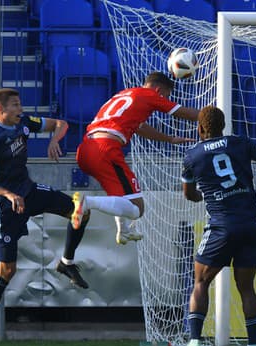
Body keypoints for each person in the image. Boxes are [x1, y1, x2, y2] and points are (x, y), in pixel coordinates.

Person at [0, 88, 91, 346]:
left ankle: (66, 263)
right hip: (7, 205)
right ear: (0, 110)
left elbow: (62, 124)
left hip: (30, 192)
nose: (21, 109)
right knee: (7, 270)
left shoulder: (25, 122)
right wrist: (7, 193)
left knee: (80, 212)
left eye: (20, 104)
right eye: (15, 105)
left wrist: (55, 139)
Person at [175, 106, 256, 346]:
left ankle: (194, 343)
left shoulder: (192, 155)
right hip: (249, 224)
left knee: (201, 282)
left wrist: (207, 192)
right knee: (247, 288)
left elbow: (189, 195)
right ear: (223, 126)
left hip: (221, 226)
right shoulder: (240, 143)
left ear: (200, 128)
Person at [71, 71, 198, 248]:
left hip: (86, 150)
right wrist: (211, 115)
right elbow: (180, 112)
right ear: (159, 90)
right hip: (105, 148)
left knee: (120, 194)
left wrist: (169, 138)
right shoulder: (150, 95)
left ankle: (123, 230)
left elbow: (140, 127)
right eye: (166, 95)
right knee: (137, 208)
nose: (165, 99)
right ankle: (88, 202)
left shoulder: (126, 94)